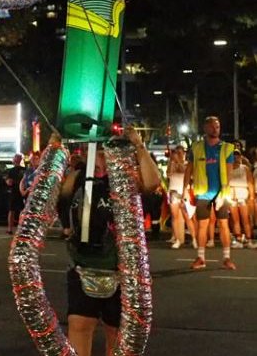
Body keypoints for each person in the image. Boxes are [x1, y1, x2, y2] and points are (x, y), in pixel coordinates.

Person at [60, 128, 161, 356]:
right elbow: (60, 196)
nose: (102, 161)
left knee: (116, 334)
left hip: (120, 270)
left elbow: (153, 183)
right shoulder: (78, 177)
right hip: (83, 265)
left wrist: (139, 146)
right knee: (80, 326)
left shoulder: (126, 178)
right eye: (96, 151)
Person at [187, 116, 237, 270]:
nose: (216, 129)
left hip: (222, 193)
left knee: (223, 224)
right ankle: (200, 258)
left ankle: (227, 258)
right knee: (202, 225)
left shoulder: (227, 148)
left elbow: (229, 173)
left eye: (218, 126)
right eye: (213, 126)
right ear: (205, 128)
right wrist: (184, 189)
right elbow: (189, 169)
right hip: (203, 193)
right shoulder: (196, 147)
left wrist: (224, 194)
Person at [167, 145, 197, 249]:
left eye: (180, 153)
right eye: (176, 152)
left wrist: (178, 161)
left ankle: (194, 239)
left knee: (187, 217)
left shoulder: (186, 164)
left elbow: (184, 172)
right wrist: (172, 162)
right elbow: (168, 174)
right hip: (173, 191)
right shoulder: (171, 164)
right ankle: (177, 239)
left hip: (183, 192)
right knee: (174, 217)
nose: (178, 154)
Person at [227, 149, 256, 249]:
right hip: (232, 196)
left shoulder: (245, 168)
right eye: (233, 156)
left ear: (240, 157)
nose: (235, 158)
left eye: (237, 155)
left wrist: (251, 197)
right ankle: (238, 238)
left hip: (243, 195)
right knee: (235, 220)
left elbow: (250, 183)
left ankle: (248, 239)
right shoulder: (228, 168)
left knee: (246, 219)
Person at [5, 153, 26, 234]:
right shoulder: (25, 170)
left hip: (14, 192)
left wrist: (9, 182)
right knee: (21, 210)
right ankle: (21, 229)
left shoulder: (11, 170)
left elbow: (9, 182)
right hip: (22, 192)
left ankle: (10, 229)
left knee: (12, 211)